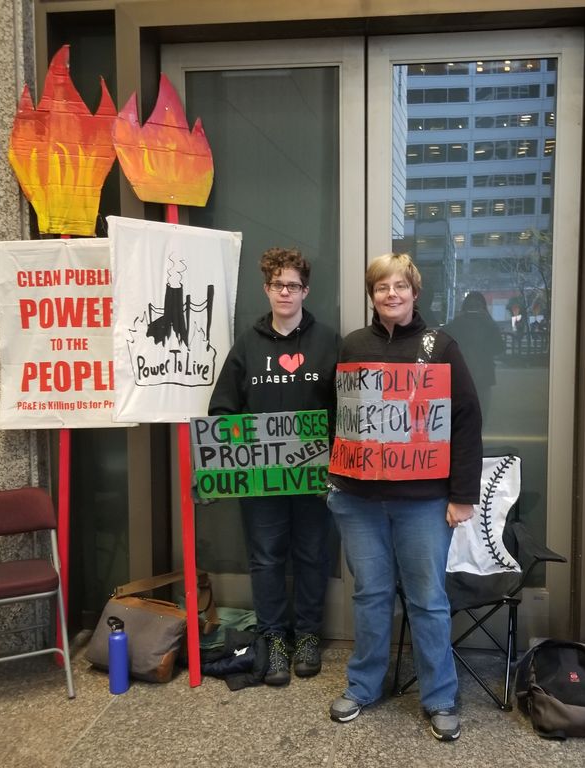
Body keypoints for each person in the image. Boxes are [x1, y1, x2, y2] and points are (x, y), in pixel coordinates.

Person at [326, 253, 482, 742]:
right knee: (370, 594)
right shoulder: (352, 346)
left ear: (415, 292)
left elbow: (466, 421)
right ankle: (364, 685)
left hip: (422, 500)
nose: (390, 294)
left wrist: (462, 496)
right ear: (371, 295)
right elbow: (337, 414)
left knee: (428, 599)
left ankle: (439, 696)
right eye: (380, 288)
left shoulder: (442, 347)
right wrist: (332, 478)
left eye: (399, 286)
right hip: (357, 499)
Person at [208, 247, 341, 686]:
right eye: (277, 285)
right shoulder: (247, 345)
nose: (285, 292)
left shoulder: (328, 343)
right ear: (266, 289)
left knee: (312, 556)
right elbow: (222, 411)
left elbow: (346, 410)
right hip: (260, 481)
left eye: (294, 285)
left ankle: (306, 635)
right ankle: (273, 638)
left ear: (306, 290)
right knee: (265, 559)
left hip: (314, 479)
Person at [443, 291, 505, 419]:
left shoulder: (457, 324)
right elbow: (499, 348)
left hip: (461, 375)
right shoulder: (487, 324)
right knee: (481, 415)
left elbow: (443, 339)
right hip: (482, 377)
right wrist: (488, 321)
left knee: (462, 415)